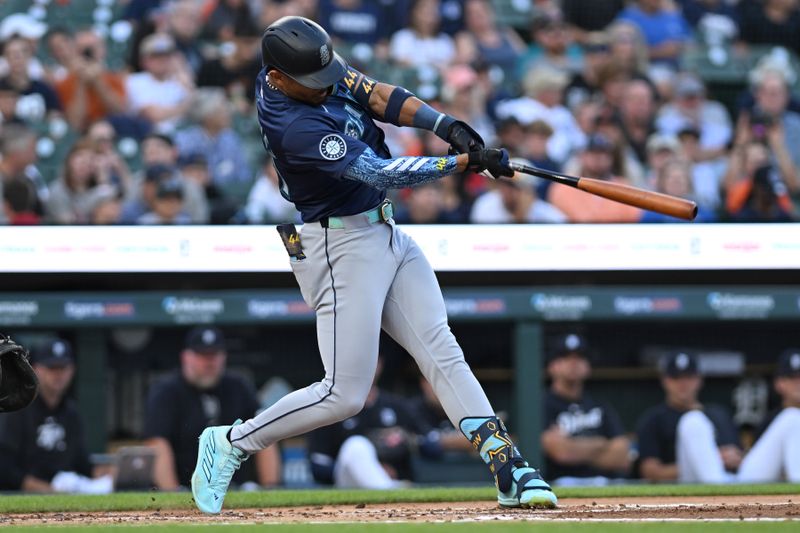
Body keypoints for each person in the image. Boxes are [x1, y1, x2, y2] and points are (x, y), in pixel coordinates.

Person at [190, 16, 556, 514]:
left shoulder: (308, 70)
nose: (327, 87)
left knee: (441, 350)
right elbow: (377, 171)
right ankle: (231, 442)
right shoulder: (293, 124)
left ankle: (508, 467)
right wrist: (461, 163)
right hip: (338, 248)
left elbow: (380, 96)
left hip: (383, 232)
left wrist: (447, 127)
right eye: (313, 83)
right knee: (344, 393)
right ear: (278, 78)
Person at [143, 327, 280, 491]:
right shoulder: (166, 390)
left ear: (223, 357)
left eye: (214, 355)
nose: (209, 362)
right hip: (185, 488)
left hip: (237, 488)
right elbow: (156, 443)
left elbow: (264, 432)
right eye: (202, 355)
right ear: (186, 357)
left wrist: (270, 488)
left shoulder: (238, 386)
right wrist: (173, 496)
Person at [0, 338, 113, 493]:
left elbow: (81, 462)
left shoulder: (71, 412)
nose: (58, 374)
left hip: (67, 490)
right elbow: (5, 467)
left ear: (72, 370)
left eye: (63, 367)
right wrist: (46, 489)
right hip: (22, 496)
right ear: (36, 370)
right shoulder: (19, 408)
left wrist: (103, 472)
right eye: (52, 367)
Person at [307, 357, 432, 488]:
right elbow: (318, 466)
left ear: (380, 364)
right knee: (356, 445)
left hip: (397, 478)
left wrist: (408, 438)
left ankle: (385, 487)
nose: (366, 366)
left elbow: (430, 444)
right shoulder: (331, 407)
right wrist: (369, 470)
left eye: (371, 358)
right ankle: (386, 489)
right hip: (346, 484)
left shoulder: (397, 405)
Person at [636, 351, 742, 483]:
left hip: (730, 478)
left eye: (688, 377)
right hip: (684, 483)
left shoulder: (719, 414)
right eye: (676, 378)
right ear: (665, 381)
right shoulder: (654, 419)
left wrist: (733, 458)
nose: (683, 384)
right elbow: (650, 471)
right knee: (692, 420)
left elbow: (739, 456)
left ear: (699, 380)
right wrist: (708, 460)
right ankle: (718, 488)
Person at [541, 333, 631, 485]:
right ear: (552, 366)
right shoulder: (542, 405)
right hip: (560, 484)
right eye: (566, 357)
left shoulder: (600, 404)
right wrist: (600, 443)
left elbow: (622, 456)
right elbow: (561, 453)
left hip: (604, 483)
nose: (574, 363)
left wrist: (573, 447)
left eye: (580, 358)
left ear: (588, 366)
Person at [736, 349, 800, 482]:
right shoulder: (771, 419)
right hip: (759, 480)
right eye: (792, 378)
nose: (798, 384)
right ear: (778, 383)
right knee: (792, 417)